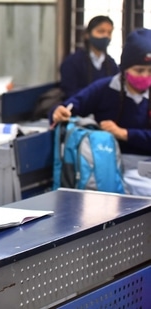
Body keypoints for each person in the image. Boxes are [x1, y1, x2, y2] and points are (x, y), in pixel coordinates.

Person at [50, 28, 151, 196]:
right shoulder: (105, 89)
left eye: (150, 71)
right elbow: (72, 106)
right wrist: (57, 111)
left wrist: (124, 133)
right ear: (125, 69)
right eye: (139, 71)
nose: (145, 76)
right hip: (111, 166)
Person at [60, 15, 119, 99]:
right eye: (101, 31)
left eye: (109, 32)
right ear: (88, 34)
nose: (106, 36)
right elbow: (70, 92)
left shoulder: (111, 64)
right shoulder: (72, 62)